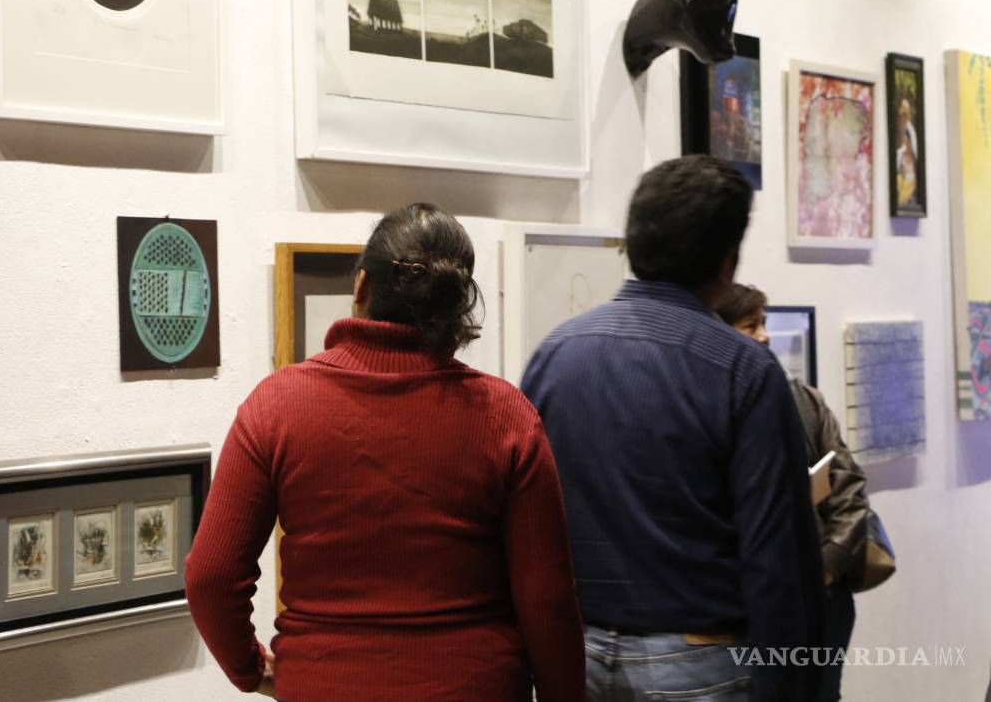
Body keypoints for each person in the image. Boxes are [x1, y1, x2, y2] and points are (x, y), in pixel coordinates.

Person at [184, 203, 585, 701]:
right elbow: (547, 598)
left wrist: (249, 669)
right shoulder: (506, 415)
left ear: (361, 287)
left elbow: (212, 576)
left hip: (324, 686)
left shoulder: (276, 405)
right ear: (456, 306)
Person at [522, 155, 824, 702]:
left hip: (575, 654)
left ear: (634, 241)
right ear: (728, 260)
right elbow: (776, 558)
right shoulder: (744, 370)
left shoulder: (555, 354)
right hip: (700, 660)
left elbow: (530, 524)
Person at [715, 283, 870, 702]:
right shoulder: (707, 408)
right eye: (750, 325)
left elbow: (849, 487)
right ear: (720, 332)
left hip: (822, 594)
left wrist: (828, 565)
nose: (765, 336)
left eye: (764, 323)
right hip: (749, 604)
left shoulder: (805, 400)